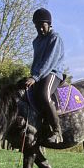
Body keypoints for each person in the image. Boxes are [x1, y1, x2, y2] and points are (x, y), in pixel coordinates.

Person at [24, 7, 66, 144]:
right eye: (37, 27)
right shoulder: (36, 41)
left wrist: (35, 77)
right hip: (40, 74)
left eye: (42, 26)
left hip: (53, 72)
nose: (40, 29)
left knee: (44, 95)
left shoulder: (55, 38)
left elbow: (49, 61)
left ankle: (57, 131)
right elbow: (36, 61)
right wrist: (31, 76)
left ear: (49, 24)